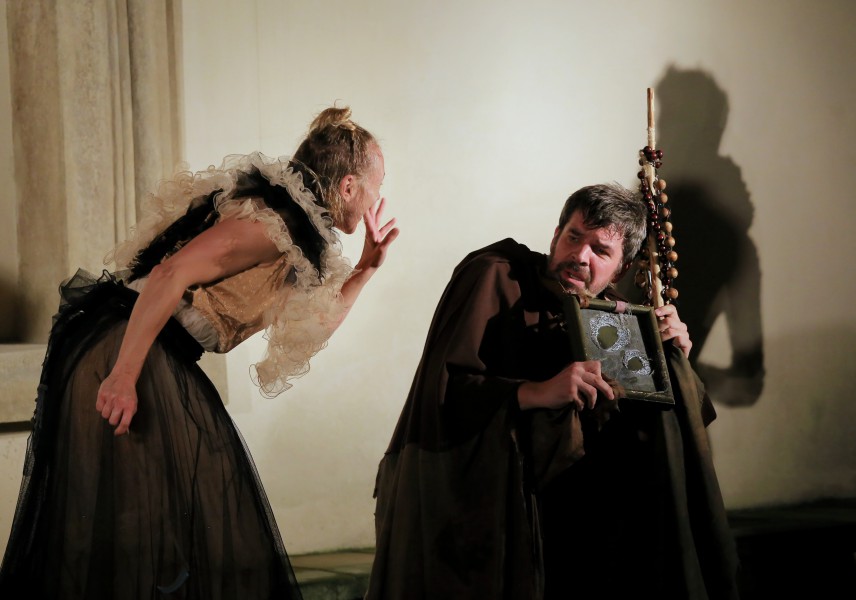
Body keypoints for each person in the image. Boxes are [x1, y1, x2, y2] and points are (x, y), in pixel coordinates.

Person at [0, 105, 398, 599]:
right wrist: (123, 374)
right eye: (378, 184)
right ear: (349, 186)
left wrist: (367, 268)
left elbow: (316, 323)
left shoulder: (293, 236)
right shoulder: (270, 225)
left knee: (168, 523)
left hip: (153, 351)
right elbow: (169, 274)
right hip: (133, 348)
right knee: (156, 525)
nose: (380, 195)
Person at [366, 183, 739, 599]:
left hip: (576, 526)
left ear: (621, 269)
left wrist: (674, 362)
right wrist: (537, 391)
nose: (580, 255)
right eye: (574, 237)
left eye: (600, 250)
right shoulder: (496, 274)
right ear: (556, 234)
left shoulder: (616, 320)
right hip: (484, 510)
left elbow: (663, 437)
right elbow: (442, 391)